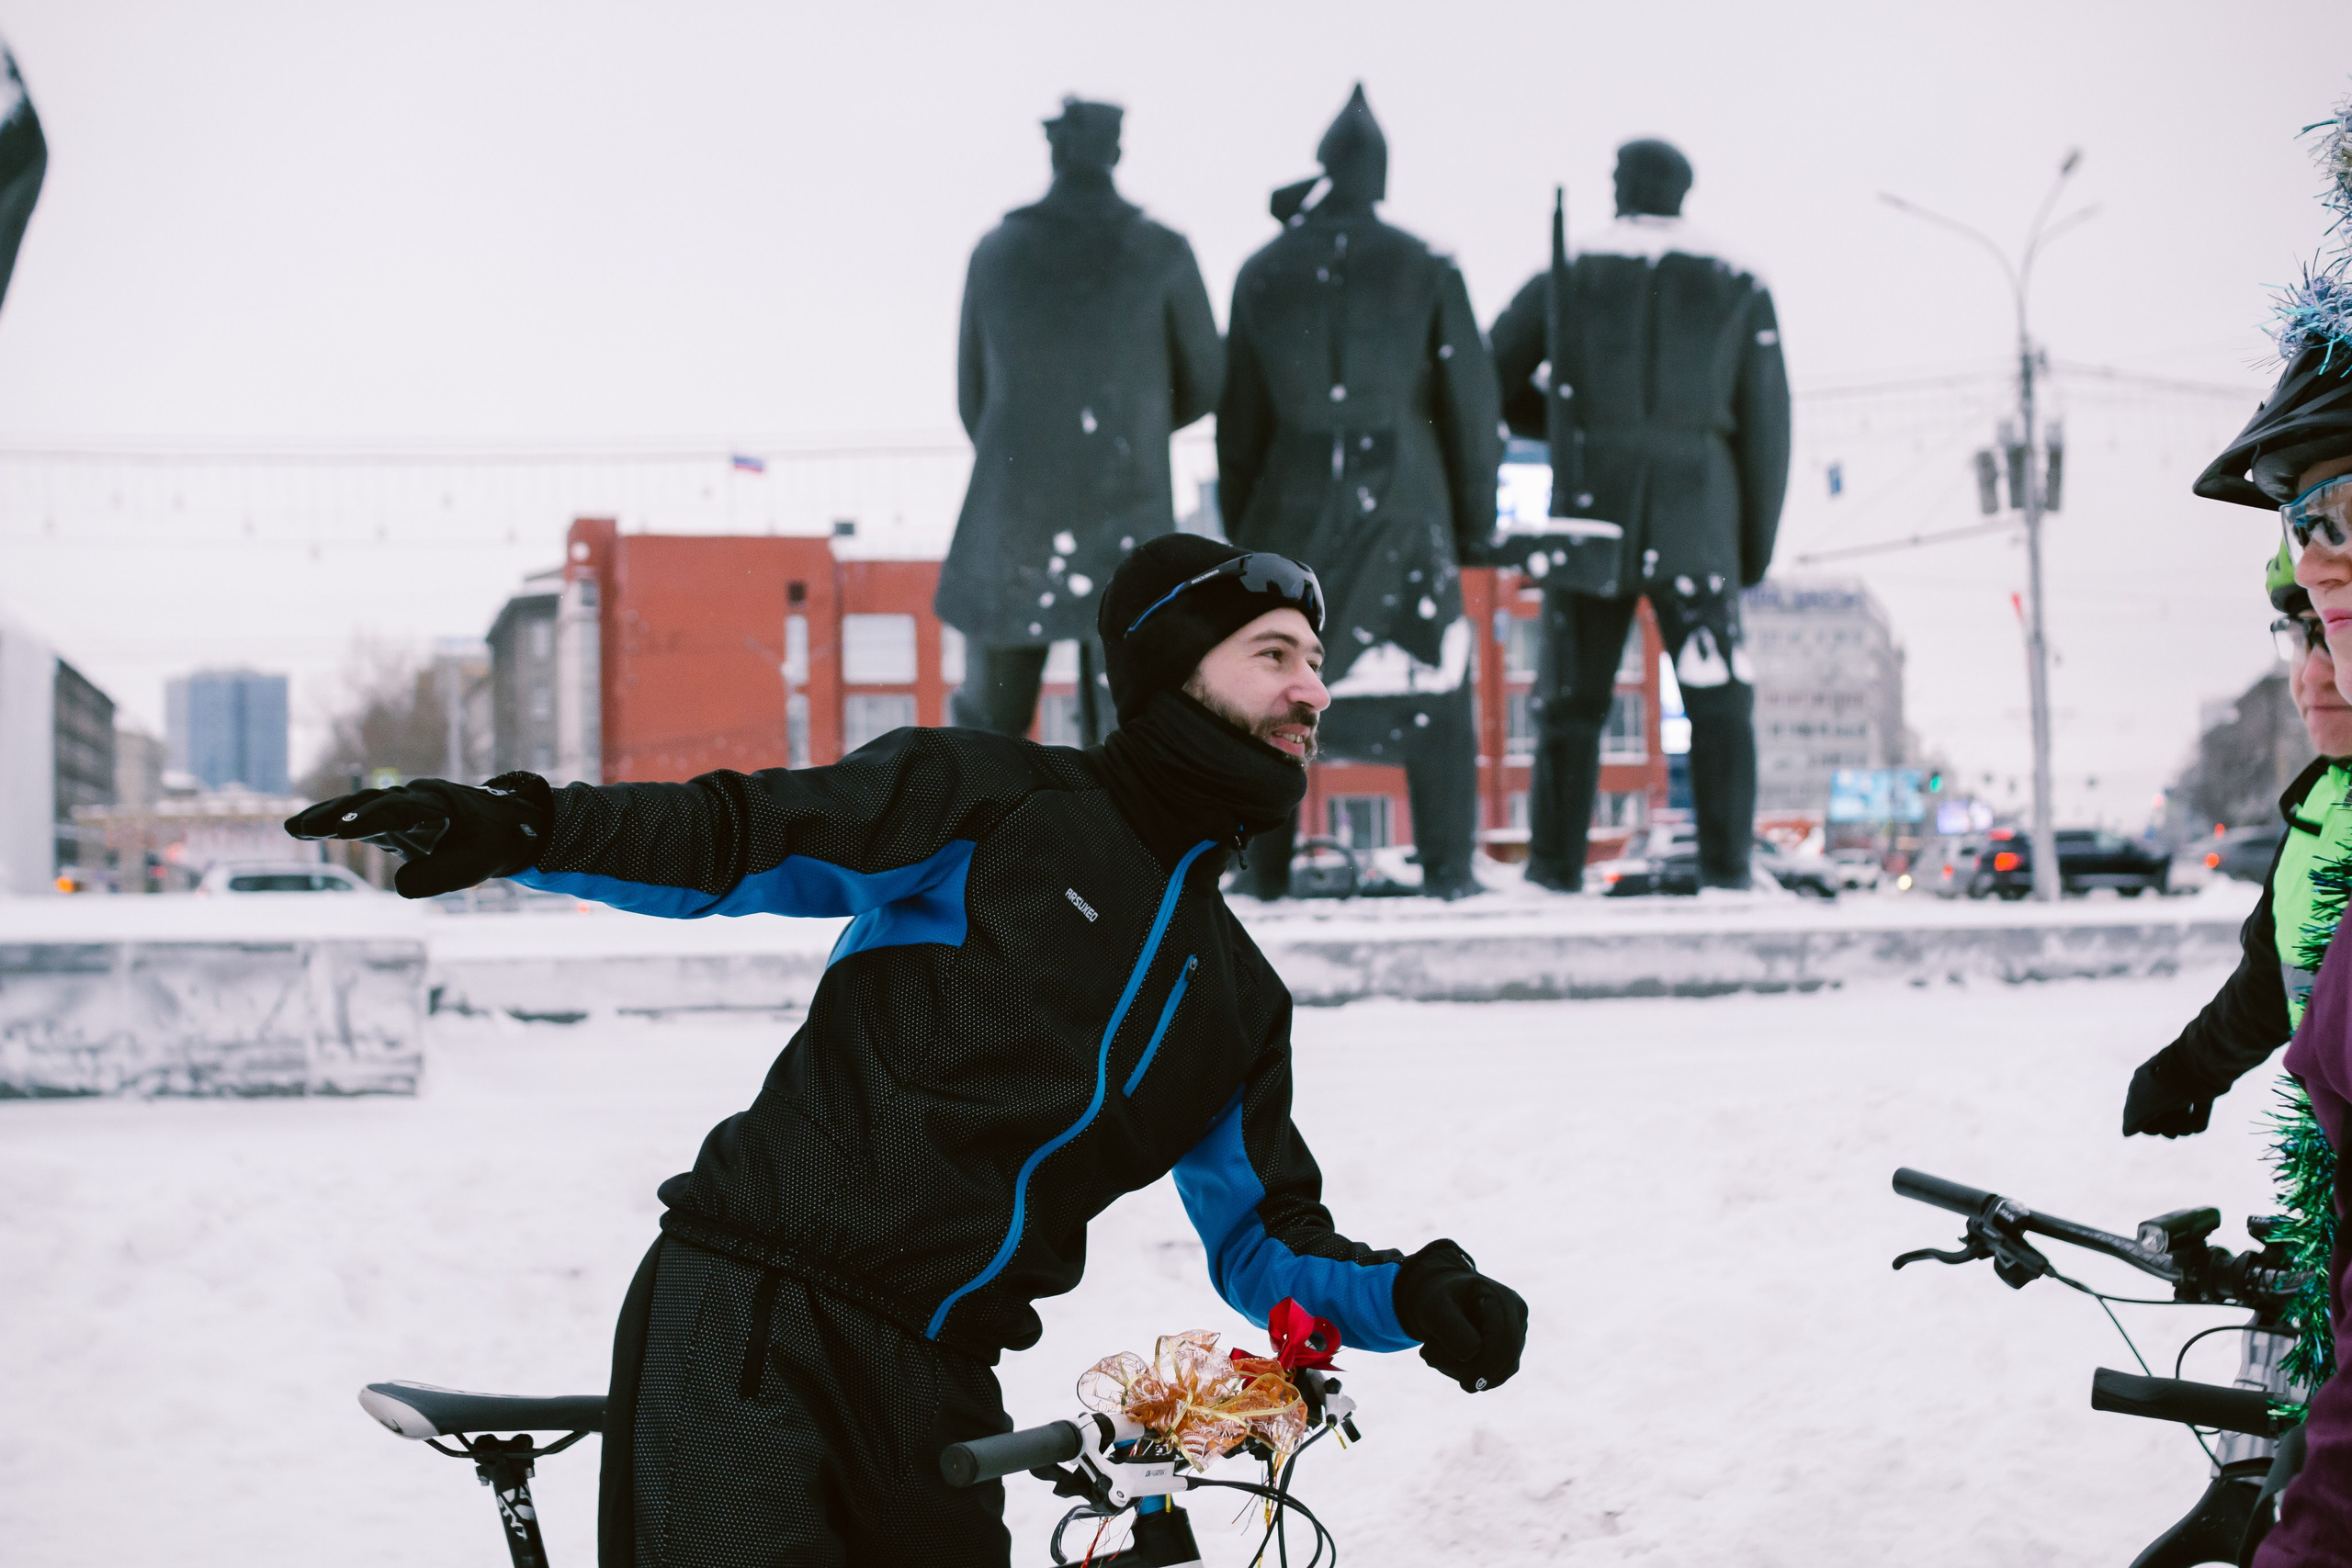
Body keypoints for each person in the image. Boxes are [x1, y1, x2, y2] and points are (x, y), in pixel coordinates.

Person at [288, 536, 1528, 1568]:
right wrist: (524, 824)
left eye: (1317, 665)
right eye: (1274, 655)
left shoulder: (1237, 1000)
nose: (1313, 690)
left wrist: (1412, 1294)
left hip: (941, 1377)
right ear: (1169, 673)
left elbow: (1266, 1242)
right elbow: (738, 837)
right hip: (754, 1313)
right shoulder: (994, 803)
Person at [1215, 85, 1501, 902]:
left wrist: (1246, 532)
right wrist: (1474, 525)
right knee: (1433, 692)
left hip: (1288, 510)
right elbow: (1471, 408)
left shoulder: (1265, 269)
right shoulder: (1426, 263)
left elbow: (1240, 424)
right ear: (1379, 172)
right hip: (1407, 510)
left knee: (1273, 689)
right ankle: (1448, 869)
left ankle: (1264, 871)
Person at [1488, 139, 1791, 891]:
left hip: (1594, 507)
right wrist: (1750, 549)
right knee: (1719, 699)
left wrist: (1566, 419)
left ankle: (1555, 870)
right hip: (1700, 519)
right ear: (1682, 192)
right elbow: (1768, 432)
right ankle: (1729, 871)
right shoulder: (1737, 282)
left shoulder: (1574, 272)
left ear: (1621, 187)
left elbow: (1487, 377)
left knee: (1570, 703)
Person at [2186, 310, 2352, 1563]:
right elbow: (2266, 971)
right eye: (2298, 622)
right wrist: (2190, 1066)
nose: (2317, 668)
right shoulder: (2316, 820)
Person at [936, 98, 1224, 746]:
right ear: (1115, 152)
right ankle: (1115, 846)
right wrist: (1134, 429)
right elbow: (1207, 381)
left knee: (988, 734)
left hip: (1011, 519)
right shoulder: (1162, 251)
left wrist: (1034, 446)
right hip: (1126, 512)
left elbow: (971, 397)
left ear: (1056, 152)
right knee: (1132, 726)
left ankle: (985, 845)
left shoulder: (998, 250)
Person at [2121, 545, 2352, 1139]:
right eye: (2300, 639)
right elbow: (2280, 976)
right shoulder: (2320, 806)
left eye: (2335, 632)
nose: (2311, 674)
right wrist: (2187, 1070)